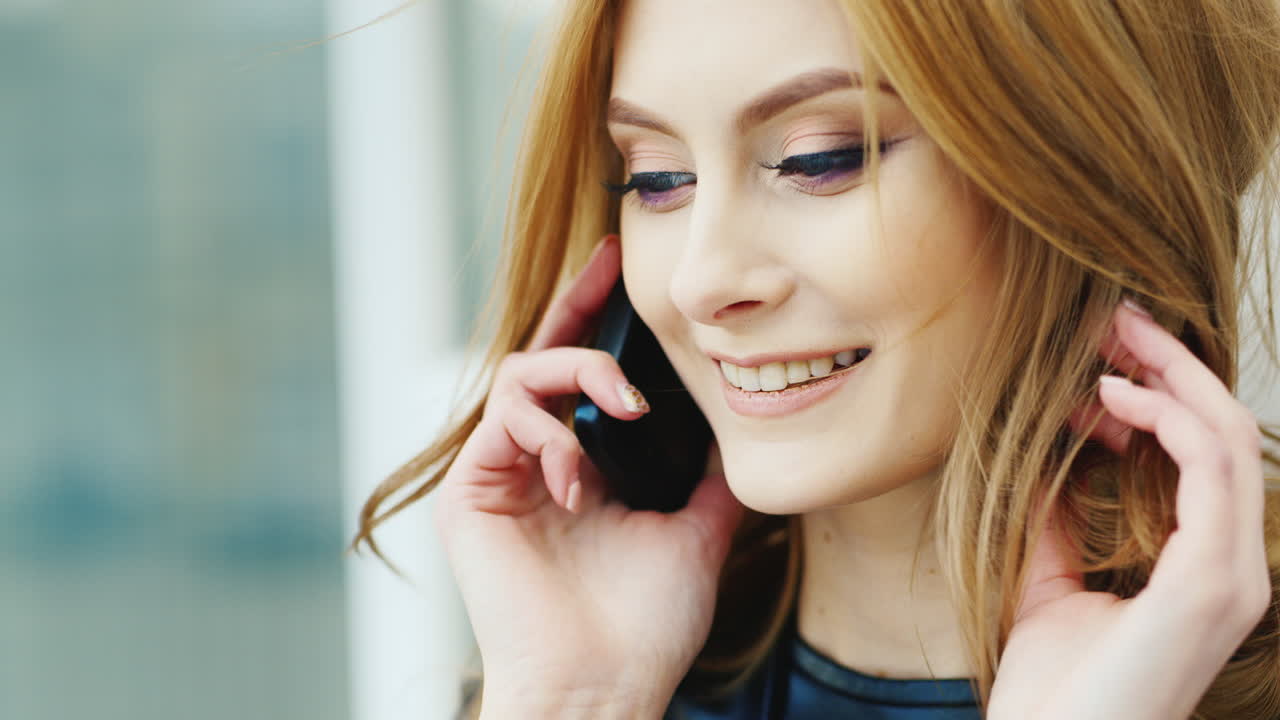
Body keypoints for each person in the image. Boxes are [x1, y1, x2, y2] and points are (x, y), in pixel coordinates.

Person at [350, 0, 1280, 717]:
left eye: (820, 159)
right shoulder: (596, 672)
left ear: (1088, 183)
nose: (700, 281)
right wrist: (573, 705)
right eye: (657, 179)